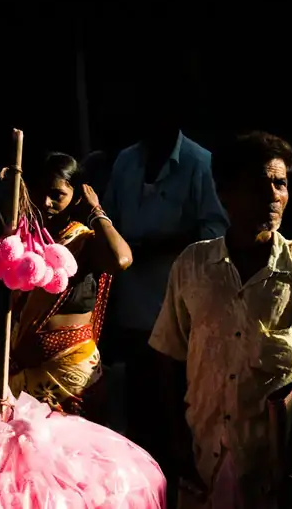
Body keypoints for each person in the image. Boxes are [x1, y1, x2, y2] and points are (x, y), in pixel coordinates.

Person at [150, 132, 292, 509]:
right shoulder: (192, 266)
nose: (274, 195)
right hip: (205, 458)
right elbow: (168, 355)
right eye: (260, 183)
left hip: (276, 474)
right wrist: (176, 445)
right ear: (225, 194)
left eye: (281, 184)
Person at [102, 92, 228, 462]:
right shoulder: (127, 161)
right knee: (141, 418)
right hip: (133, 312)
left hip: (181, 312)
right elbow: (106, 218)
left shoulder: (199, 161)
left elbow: (216, 230)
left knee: (180, 412)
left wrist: (156, 245)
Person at [6, 153, 132, 421]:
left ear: (77, 197)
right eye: (39, 193)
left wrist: (95, 211)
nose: (45, 202)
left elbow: (121, 259)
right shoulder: (25, 241)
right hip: (24, 375)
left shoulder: (84, 241)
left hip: (69, 377)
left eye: (57, 195)